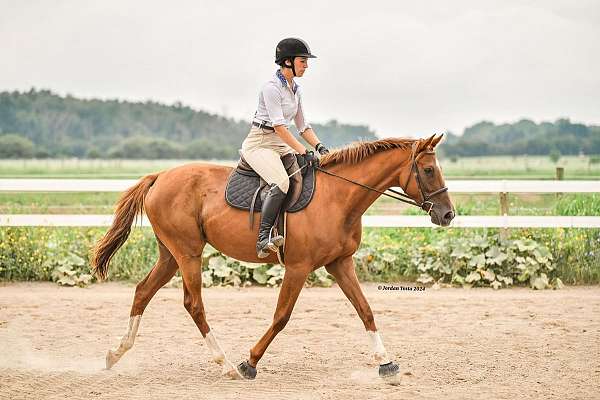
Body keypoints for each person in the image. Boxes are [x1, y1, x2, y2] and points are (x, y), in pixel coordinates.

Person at [239, 37, 330, 258]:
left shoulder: (295, 89)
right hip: (260, 142)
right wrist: (303, 151)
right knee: (281, 182)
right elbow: (280, 127)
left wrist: (319, 146)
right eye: (303, 61)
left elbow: (302, 126)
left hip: (282, 143)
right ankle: (263, 238)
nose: (306, 65)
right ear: (287, 62)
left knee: (310, 172)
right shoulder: (271, 88)